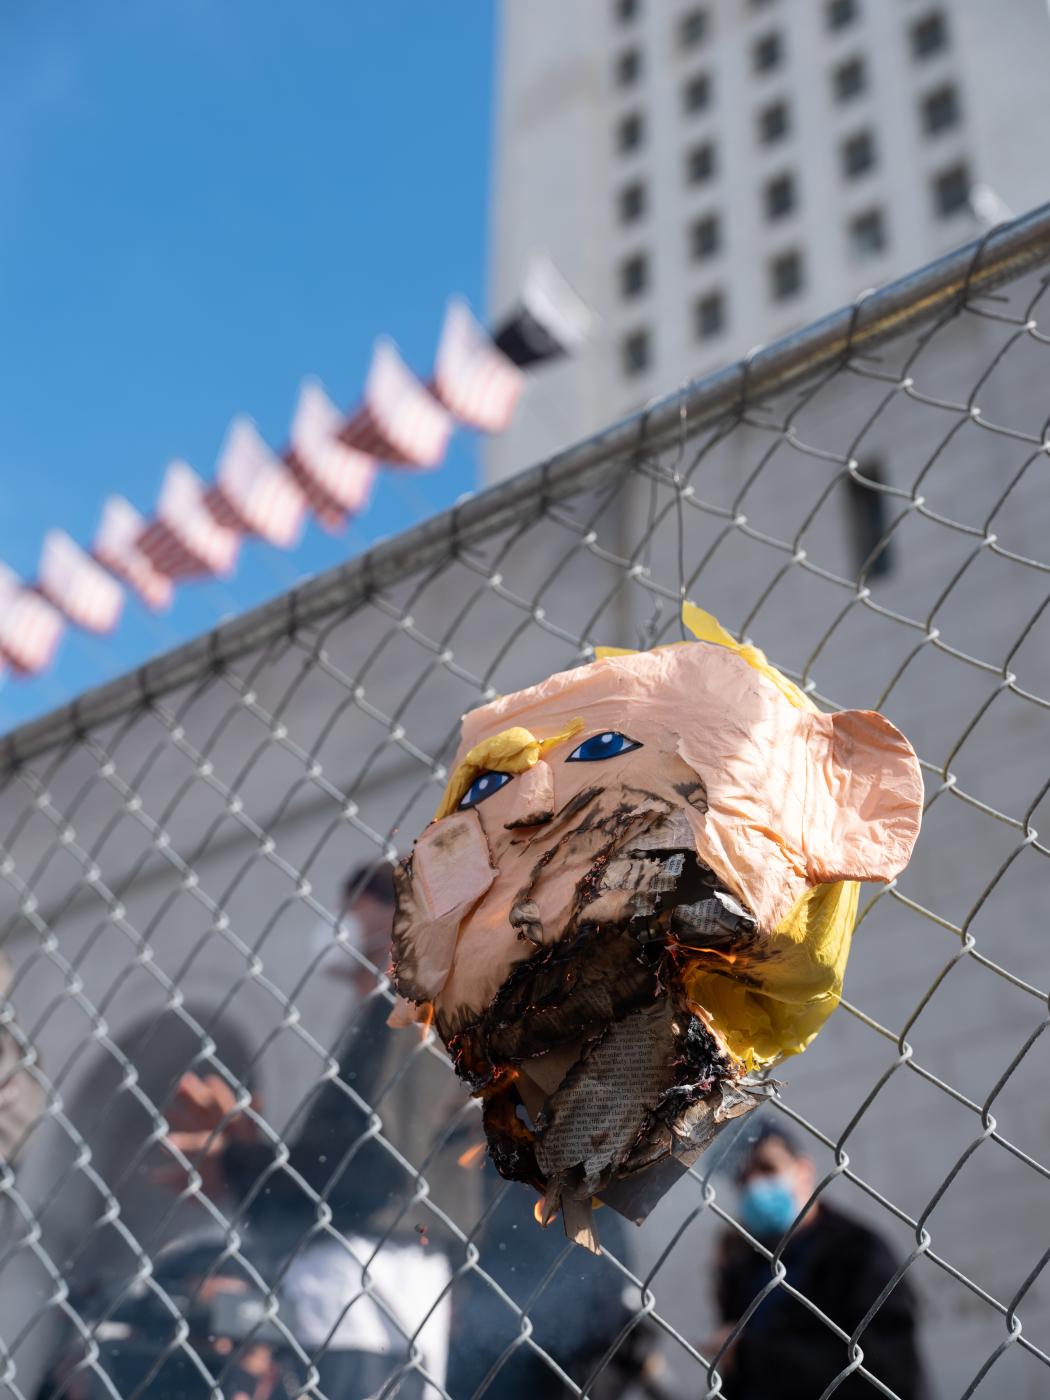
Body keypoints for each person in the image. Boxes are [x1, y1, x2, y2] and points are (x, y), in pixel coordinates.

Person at [161, 862, 480, 1399]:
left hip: (368, 1286)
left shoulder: (409, 1014)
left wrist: (242, 1163)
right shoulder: (391, 1017)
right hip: (361, 1284)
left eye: (358, 904)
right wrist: (244, 1157)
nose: (344, 919)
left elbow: (380, 1163)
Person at [713, 1122, 928, 1400]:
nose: (754, 1184)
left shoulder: (857, 1252)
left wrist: (752, 1353)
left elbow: (888, 1373)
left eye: (767, 1169)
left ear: (804, 1170)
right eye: (743, 1177)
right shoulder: (745, 1265)